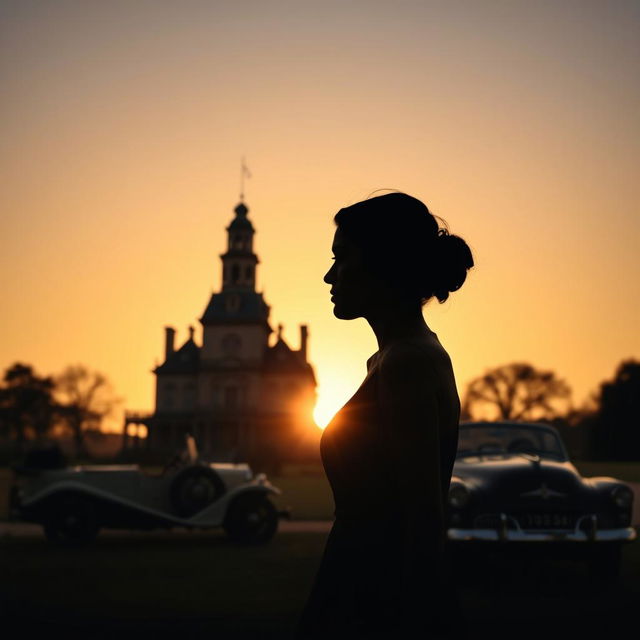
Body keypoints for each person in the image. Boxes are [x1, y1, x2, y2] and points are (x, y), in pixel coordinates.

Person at [293, 192, 474, 639]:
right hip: (360, 582)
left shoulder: (408, 363)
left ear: (383, 264)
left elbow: (423, 516)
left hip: (375, 597)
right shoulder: (394, 359)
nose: (329, 275)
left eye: (343, 258)